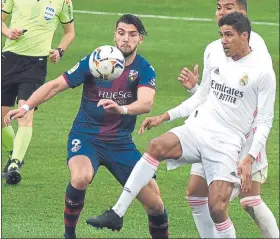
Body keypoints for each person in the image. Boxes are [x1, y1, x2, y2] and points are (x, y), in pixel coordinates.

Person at [86, 12, 276, 238]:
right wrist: (164, 116)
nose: (222, 40)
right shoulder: (213, 51)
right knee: (157, 146)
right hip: (199, 128)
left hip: (228, 142)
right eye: (221, 34)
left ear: (244, 36)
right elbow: (202, 95)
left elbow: (264, 120)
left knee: (217, 208)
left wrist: (250, 156)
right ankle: (117, 213)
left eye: (228, 35)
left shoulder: (262, 72)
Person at [4, 14, 169, 239]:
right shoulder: (95, 61)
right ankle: (69, 235)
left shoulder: (143, 68)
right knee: (80, 177)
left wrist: (121, 109)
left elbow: (146, 103)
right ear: (114, 35)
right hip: (86, 136)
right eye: (121, 33)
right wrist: (25, 108)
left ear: (140, 39)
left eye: (132, 34)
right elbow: (55, 85)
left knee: (155, 204)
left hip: (120, 143)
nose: (125, 39)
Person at [177, 0, 279, 238]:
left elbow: (254, 103)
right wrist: (195, 90)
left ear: (243, 14)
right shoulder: (215, 48)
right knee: (196, 194)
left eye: (229, 7)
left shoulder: (256, 50)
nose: (222, 11)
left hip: (240, 137)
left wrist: (250, 154)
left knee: (246, 200)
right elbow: (220, 95)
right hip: (213, 131)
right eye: (219, 6)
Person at [1, 0, 75, 185]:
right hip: (9, 59)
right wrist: (8, 32)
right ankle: (13, 152)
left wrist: (59, 51)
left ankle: (15, 164)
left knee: (25, 114)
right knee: (2, 119)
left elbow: (70, 32)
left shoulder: (63, 2)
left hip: (36, 65)